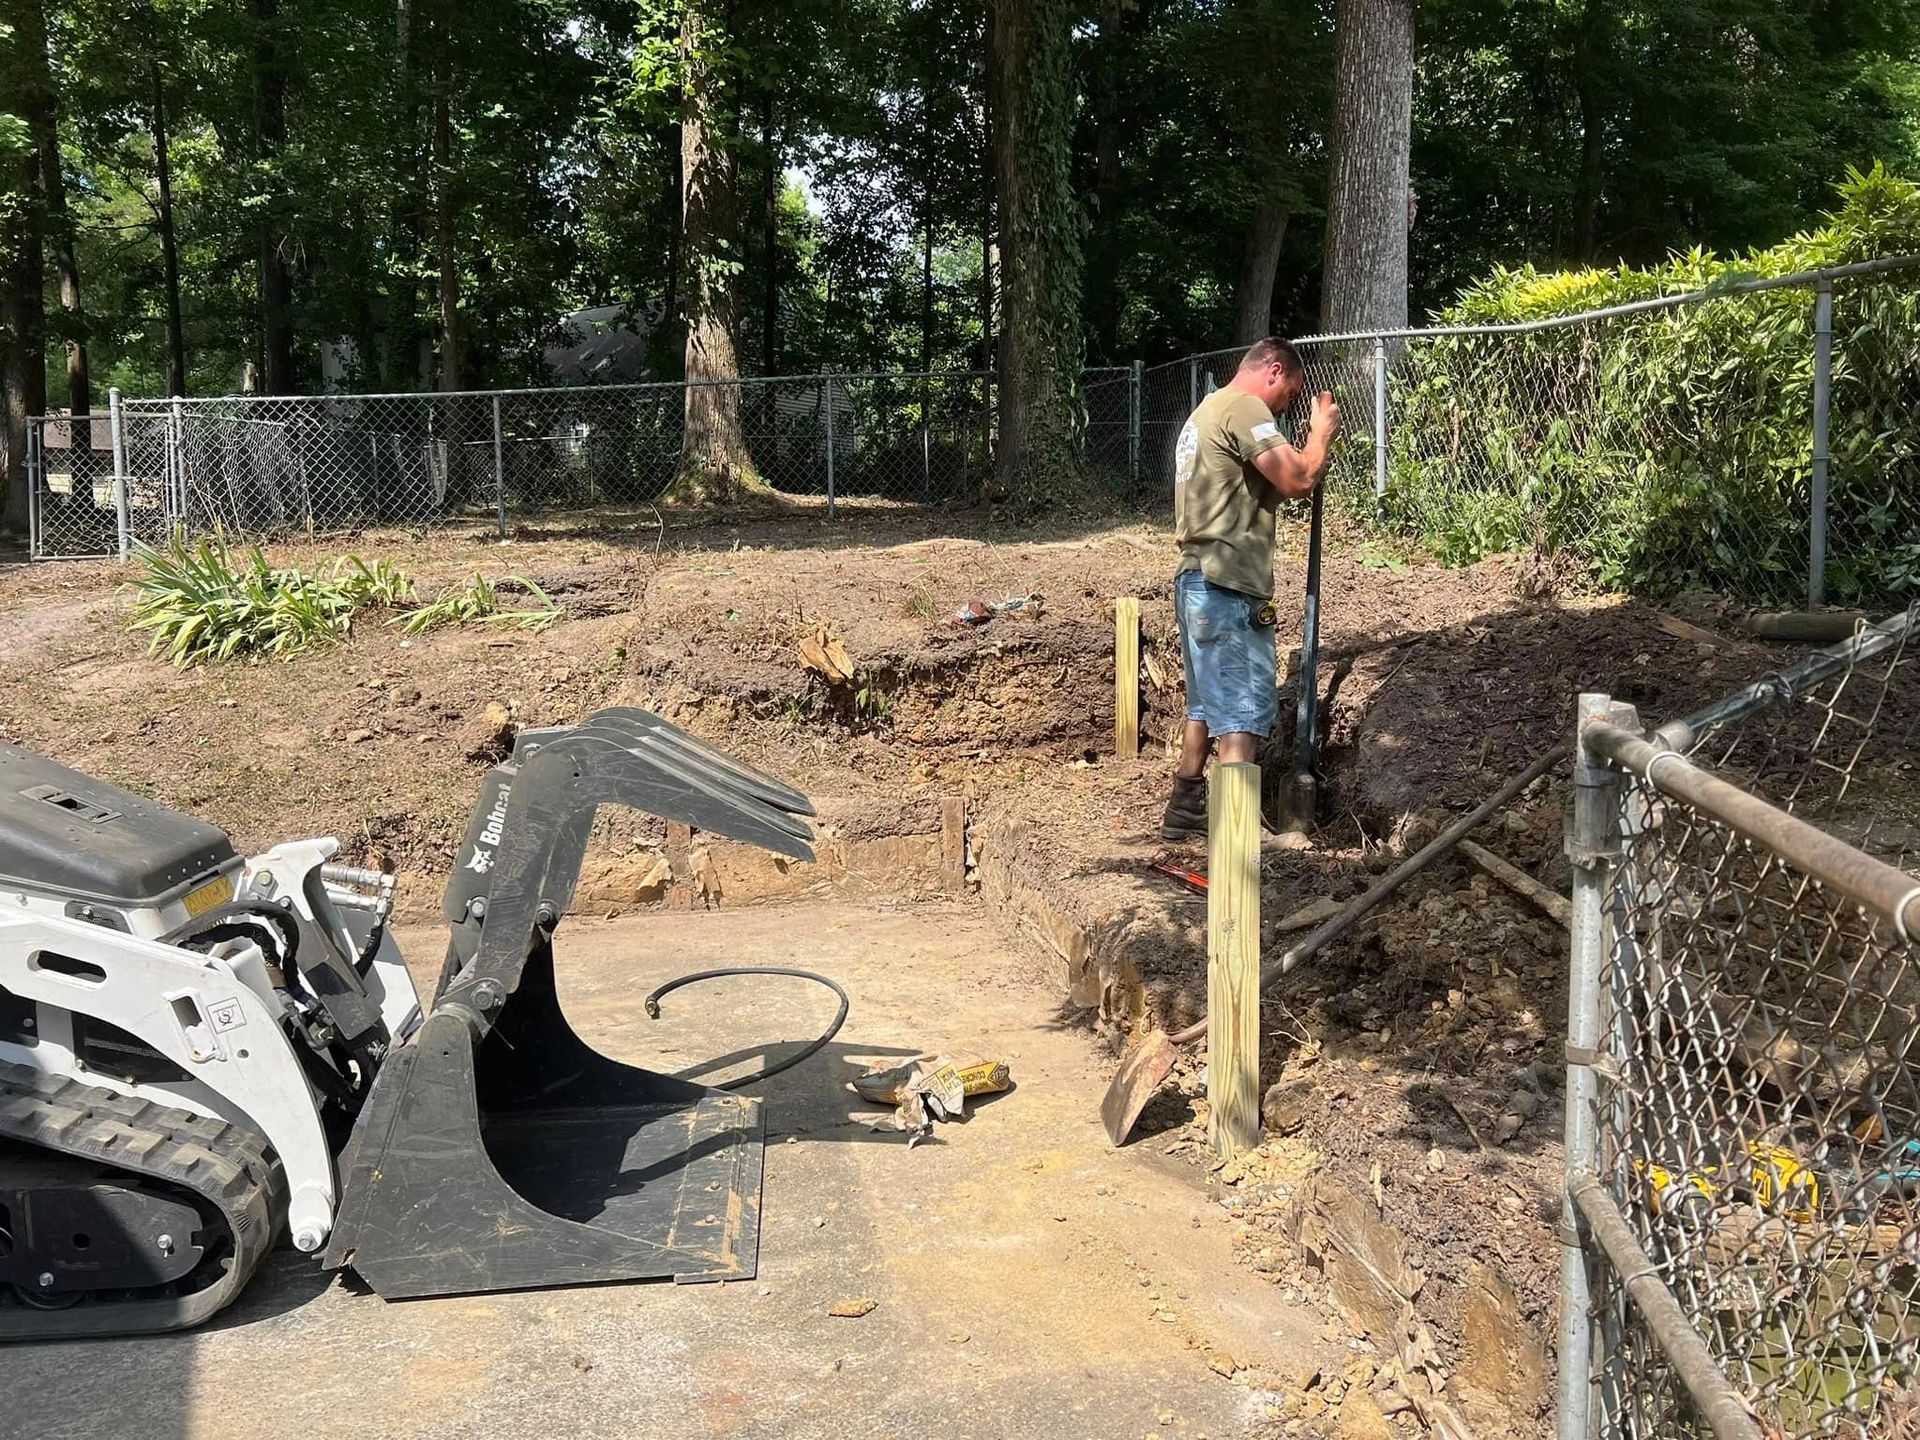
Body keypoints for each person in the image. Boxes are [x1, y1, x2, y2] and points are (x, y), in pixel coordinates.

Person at [1161, 336, 1341, 841]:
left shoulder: (1206, 410)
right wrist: (1319, 434)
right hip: (1227, 584)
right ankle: (1236, 831)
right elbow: (1298, 478)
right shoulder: (1244, 408)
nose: (1286, 404)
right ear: (1274, 371)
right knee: (1240, 710)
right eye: (1289, 391)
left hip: (1196, 577)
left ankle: (1187, 805)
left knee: (1206, 703)